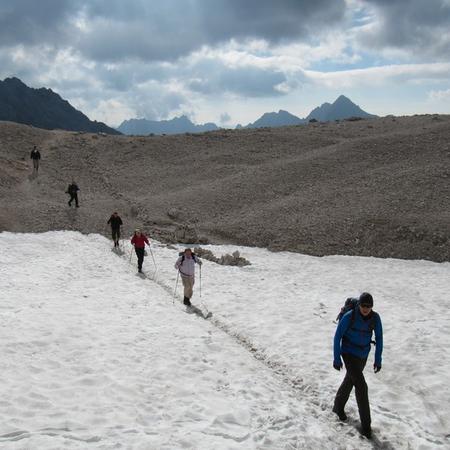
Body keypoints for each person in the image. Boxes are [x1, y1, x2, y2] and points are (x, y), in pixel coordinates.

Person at [332, 292, 383, 439]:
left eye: (369, 306)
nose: (366, 309)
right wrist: (337, 358)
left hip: (363, 355)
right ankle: (366, 427)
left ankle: (338, 406)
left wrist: (377, 359)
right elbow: (337, 336)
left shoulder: (375, 318)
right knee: (361, 386)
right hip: (348, 353)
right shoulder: (350, 316)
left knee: (351, 380)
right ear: (359, 305)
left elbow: (379, 338)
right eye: (363, 305)